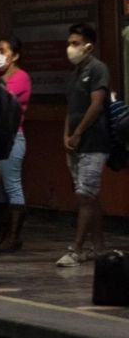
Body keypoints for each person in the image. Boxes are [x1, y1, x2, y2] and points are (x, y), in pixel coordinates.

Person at [57, 23, 109, 267]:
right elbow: (72, 108)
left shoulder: (98, 69)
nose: (70, 48)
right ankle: (98, 248)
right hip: (75, 143)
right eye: (69, 43)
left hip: (94, 142)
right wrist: (67, 133)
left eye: (75, 43)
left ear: (89, 46)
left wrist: (78, 133)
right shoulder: (75, 74)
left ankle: (76, 248)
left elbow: (96, 104)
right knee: (89, 197)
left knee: (85, 194)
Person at [0, 36, 31, 253]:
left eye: (3, 51)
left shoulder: (21, 77)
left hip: (14, 137)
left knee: (12, 184)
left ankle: (14, 237)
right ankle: (1, 235)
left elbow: (3, 101)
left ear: (15, 56)